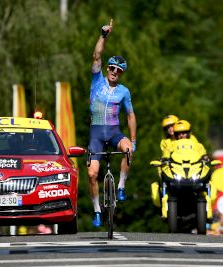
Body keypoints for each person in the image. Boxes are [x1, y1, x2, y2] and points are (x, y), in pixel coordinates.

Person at [87, 18, 136, 227]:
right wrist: (103, 35)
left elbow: (131, 116)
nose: (114, 72)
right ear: (107, 69)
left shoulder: (124, 91)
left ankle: (121, 186)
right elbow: (97, 55)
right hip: (96, 133)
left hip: (114, 131)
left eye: (118, 70)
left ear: (122, 73)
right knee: (92, 173)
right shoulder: (97, 80)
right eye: (112, 68)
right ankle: (97, 210)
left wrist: (133, 141)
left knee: (127, 150)